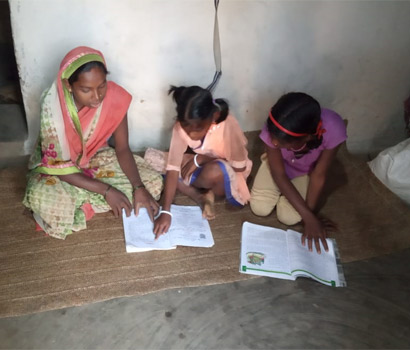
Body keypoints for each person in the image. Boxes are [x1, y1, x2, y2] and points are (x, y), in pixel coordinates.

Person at [23, 46, 163, 239]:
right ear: (69, 85)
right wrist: (107, 190)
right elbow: (59, 167)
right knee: (44, 196)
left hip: (96, 157)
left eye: (102, 86)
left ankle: (82, 201)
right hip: (60, 169)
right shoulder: (53, 106)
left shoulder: (115, 97)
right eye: (86, 90)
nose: (97, 97)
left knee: (153, 183)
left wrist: (139, 187)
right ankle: (94, 200)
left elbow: (122, 148)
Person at [149, 85, 252, 238]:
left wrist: (201, 158)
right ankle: (200, 196)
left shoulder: (227, 123)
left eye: (197, 129)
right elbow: (173, 167)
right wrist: (165, 211)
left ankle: (204, 190)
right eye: (186, 127)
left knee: (214, 171)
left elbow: (238, 167)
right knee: (157, 162)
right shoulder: (180, 128)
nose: (191, 134)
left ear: (213, 117)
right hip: (202, 164)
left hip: (228, 169)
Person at [250, 92, 347, 253]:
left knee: (289, 217)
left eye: (282, 142)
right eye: (273, 137)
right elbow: (278, 174)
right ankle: (287, 199)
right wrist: (309, 217)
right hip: (276, 166)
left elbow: (318, 175)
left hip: (305, 172)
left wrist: (310, 215)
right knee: (259, 208)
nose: (273, 142)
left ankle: (291, 201)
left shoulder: (334, 127)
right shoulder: (276, 125)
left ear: (307, 138)